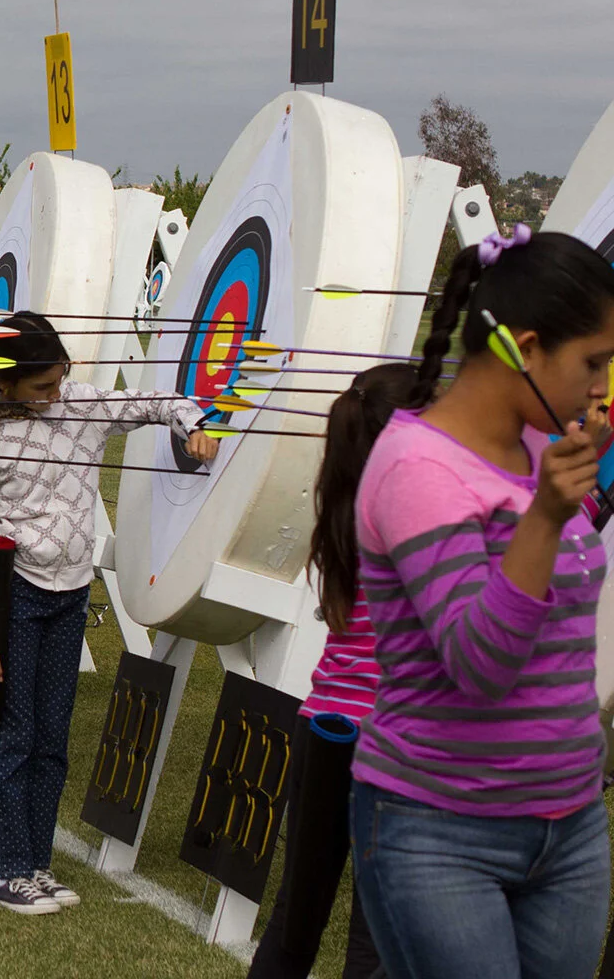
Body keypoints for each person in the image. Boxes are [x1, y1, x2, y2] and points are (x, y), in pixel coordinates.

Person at [350, 228, 614, 979]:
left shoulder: (540, 453)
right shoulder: (417, 468)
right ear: (525, 349)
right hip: (439, 831)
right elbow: (480, 662)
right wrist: (543, 518)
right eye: (593, 362)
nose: (602, 386)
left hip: (570, 826)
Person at [0, 311, 218, 914]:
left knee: (54, 739)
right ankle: (9, 872)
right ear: (7, 384)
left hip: (72, 593)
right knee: (15, 738)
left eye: (60, 380)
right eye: (42, 387)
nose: (56, 395)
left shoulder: (83, 404)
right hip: (14, 597)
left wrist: (196, 423)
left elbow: (162, 400)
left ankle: (37, 865)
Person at [246, 364, 410, 978]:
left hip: (323, 726)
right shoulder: (420, 512)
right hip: (388, 738)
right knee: (379, 929)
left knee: (297, 915)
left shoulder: (347, 500)